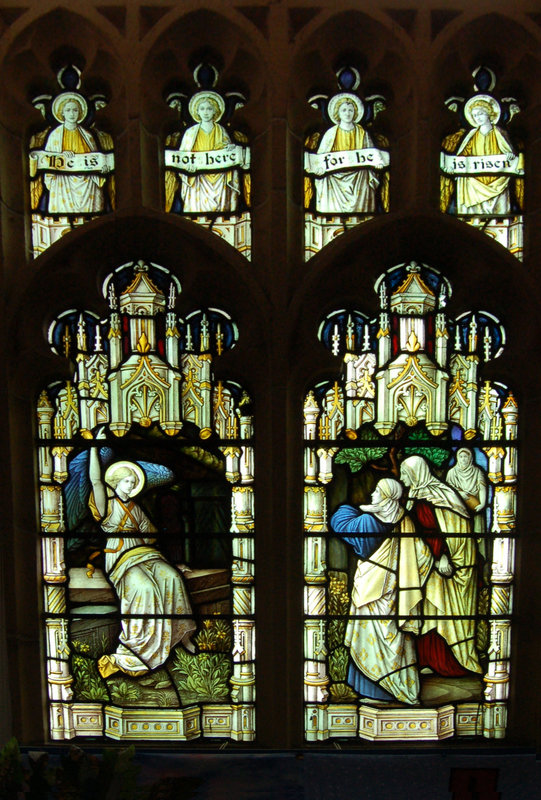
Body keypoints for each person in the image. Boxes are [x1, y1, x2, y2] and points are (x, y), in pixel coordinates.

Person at [88, 444, 196, 679]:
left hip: (145, 554)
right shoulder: (107, 505)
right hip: (120, 559)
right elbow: (96, 481)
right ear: (116, 483)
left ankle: (181, 634)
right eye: (128, 481)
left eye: (133, 482)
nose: (132, 485)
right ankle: (135, 649)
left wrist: (173, 563)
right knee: (144, 588)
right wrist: (94, 450)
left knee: (173, 577)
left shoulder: (136, 508)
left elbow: (150, 537)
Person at [330, 477, 433, 704]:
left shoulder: (367, 521)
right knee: (394, 638)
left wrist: (353, 508)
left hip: (371, 589)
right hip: (395, 591)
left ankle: (373, 690)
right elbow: (424, 556)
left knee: (368, 638)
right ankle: (401, 685)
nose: (373, 495)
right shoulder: (404, 520)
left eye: (377, 491)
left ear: (386, 497)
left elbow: (339, 523)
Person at [399, 455, 482, 676]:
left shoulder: (440, 495)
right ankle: (426, 660)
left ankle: (451, 662)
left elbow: (453, 530)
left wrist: (443, 556)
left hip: (445, 564)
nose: (402, 477)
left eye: (405, 473)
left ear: (415, 473)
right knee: (427, 612)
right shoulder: (414, 495)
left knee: (441, 610)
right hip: (424, 563)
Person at [30, 93, 114, 217]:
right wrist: (61, 157)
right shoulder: (55, 135)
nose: (72, 113)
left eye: (75, 110)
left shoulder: (88, 136)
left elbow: (98, 161)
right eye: (68, 110)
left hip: (88, 186)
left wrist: (102, 171)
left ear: (80, 113)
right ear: (62, 113)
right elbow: (47, 163)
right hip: (63, 185)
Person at [165, 91, 247, 215]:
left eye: (209, 108)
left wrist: (230, 149)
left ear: (215, 111)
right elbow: (182, 157)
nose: (206, 112)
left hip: (220, 179)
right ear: (197, 111)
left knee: (222, 210)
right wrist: (186, 167)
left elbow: (229, 152)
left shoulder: (221, 130)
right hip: (196, 180)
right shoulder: (190, 133)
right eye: (202, 109)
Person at [441, 96, 523, 216]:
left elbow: (508, 150)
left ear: (489, 113)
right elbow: (463, 154)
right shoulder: (471, 135)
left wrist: (509, 155)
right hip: (473, 185)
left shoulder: (500, 133)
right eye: (474, 115)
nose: (477, 117)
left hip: (499, 182)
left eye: (481, 113)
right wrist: (452, 166)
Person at [312, 93, 385, 215]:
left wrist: (377, 165)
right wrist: (319, 168)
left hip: (359, 180)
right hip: (334, 182)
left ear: (355, 113)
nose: (347, 113)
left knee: (365, 174)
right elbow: (319, 160)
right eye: (344, 110)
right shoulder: (330, 133)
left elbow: (374, 155)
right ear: (338, 113)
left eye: (351, 110)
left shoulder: (362, 133)